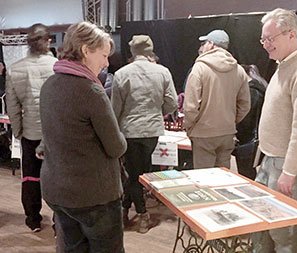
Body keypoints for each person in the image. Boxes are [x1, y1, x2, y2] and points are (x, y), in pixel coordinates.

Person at [38, 21, 127, 252]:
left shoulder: (49, 85)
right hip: (93, 195)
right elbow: (116, 147)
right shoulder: (91, 91)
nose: (106, 62)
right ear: (86, 50)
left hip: (58, 191)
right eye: (104, 55)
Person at [111, 34, 178, 233]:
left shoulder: (122, 74)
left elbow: (115, 108)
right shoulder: (163, 72)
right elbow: (172, 102)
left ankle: (135, 213)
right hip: (152, 131)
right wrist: (157, 113)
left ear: (132, 51)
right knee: (140, 173)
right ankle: (136, 213)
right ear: (150, 50)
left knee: (134, 173)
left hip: (129, 131)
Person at [252, 8, 297, 253]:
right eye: (263, 39)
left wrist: (290, 171)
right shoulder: (283, 66)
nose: (266, 45)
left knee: (284, 233)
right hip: (270, 161)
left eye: (271, 38)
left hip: (284, 167)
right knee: (263, 226)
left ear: (292, 34)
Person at [5, 23, 57, 232]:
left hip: (30, 133)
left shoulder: (14, 69)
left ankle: (33, 219)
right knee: (57, 178)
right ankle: (58, 223)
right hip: (55, 134)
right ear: (48, 41)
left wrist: (18, 132)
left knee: (30, 178)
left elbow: (13, 107)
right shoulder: (57, 65)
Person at [183, 30, 251, 169]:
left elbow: (191, 106)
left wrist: (189, 127)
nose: (201, 47)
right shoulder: (238, 70)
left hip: (203, 133)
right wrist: (231, 121)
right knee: (222, 178)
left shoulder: (199, 68)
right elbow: (245, 105)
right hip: (227, 133)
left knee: (204, 178)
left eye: (204, 43)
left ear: (211, 44)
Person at [234, 64, 266, 180]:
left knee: (246, 176)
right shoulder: (259, 87)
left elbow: (246, 121)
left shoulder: (251, 92)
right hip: (253, 140)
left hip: (247, 141)